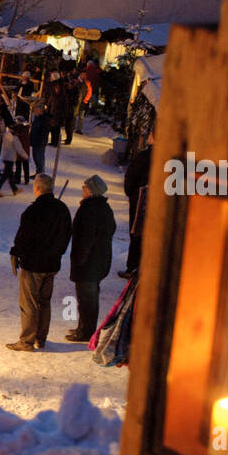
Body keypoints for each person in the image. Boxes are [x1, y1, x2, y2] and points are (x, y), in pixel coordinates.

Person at [7, 174, 72, 351]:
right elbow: (66, 236)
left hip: (33, 265)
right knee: (44, 302)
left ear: (37, 188)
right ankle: (40, 338)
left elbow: (23, 237)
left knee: (29, 303)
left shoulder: (33, 211)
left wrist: (16, 253)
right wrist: (57, 253)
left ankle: (27, 341)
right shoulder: (62, 209)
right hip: (52, 265)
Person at [66, 175, 117, 342]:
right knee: (88, 297)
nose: (82, 189)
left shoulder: (89, 210)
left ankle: (86, 331)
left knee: (87, 299)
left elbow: (86, 238)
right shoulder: (103, 208)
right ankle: (84, 327)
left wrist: (80, 260)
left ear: (91, 190)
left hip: (89, 263)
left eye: (84, 187)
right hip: (99, 260)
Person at [120, 127, 154, 277]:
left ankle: (132, 267)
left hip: (141, 199)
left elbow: (131, 177)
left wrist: (131, 193)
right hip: (154, 200)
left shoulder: (145, 156)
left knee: (136, 232)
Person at [0, 121, 25, 196]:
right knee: (5, 175)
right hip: (10, 158)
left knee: (10, 174)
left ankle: (14, 189)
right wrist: (25, 156)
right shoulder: (14, 137)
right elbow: (19, 148)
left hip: (5, 156)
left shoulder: (6, 134)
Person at [29, 104, 50, 179]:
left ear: (41, 111)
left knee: (39, 158)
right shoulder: (37, 118)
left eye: (36, 111)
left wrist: (41, 141)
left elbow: (43, 132)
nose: (34, 112)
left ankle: (40, 174)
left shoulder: (44, 120)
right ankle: (38, 173)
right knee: (35, 158)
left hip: (40, 142)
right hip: (35, 141)